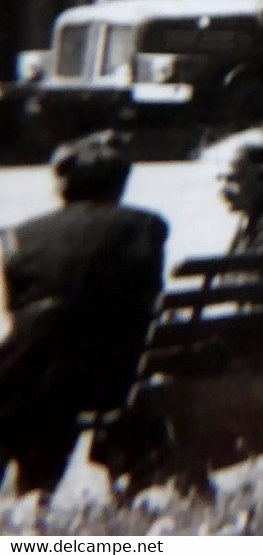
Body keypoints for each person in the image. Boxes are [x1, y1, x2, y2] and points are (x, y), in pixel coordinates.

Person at [151, 127, 263, 500]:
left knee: (173, 362)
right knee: (165, 356)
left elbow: (253, 296)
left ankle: (190, 471)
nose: (222, 187)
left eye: (232, 178)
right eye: (220, 177)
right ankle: (187, 469)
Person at [0, 131, 167, 499]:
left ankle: (28, 497)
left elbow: (11, 314)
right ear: (120, 184)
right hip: (113, 377)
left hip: (33, 381)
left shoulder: (15, 238)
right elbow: (148, 295)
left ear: (61, 185)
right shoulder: (147, 227)